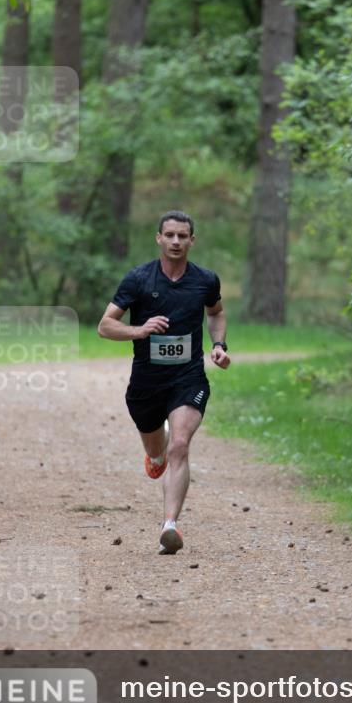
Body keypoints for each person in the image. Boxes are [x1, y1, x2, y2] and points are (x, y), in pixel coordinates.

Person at [97, 210, 230, 555]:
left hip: (188, 377)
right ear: (158, 238)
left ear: (191, 241)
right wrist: (139, 330)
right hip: (146, 382)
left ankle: (170, 525)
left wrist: (218, 346)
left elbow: (215, 312)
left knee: (180, 445)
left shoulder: (205, 280)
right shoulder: (139, 279)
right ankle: (154, 454)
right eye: (169, 235)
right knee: (158, 452)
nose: (175, 241)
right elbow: (105, 325)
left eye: (182, 236)